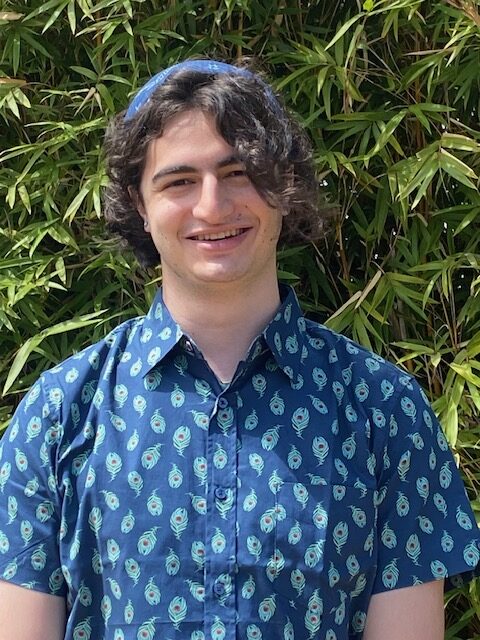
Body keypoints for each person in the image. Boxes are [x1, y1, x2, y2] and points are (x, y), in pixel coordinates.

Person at [0, 59, 478, 640]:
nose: (212, 206)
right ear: (139, 203)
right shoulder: (59, 414)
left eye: (240, 172)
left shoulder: (383, 410)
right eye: (178, 181)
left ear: (285, 184)